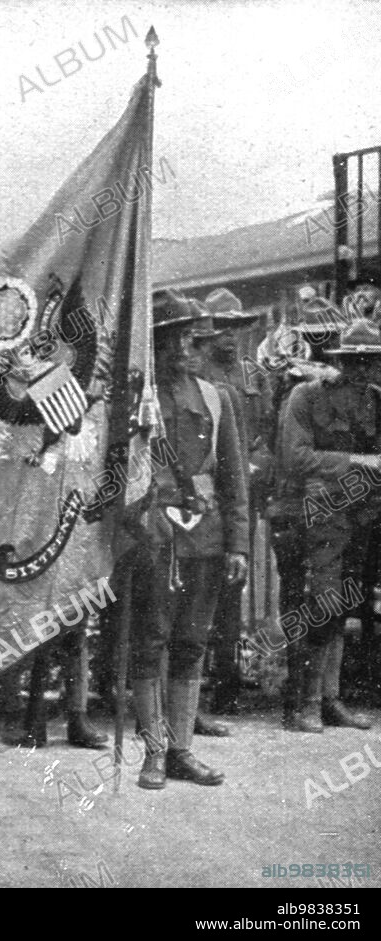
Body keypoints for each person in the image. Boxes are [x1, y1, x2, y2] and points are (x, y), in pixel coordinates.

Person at [130, 292, 249, 789]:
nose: (186, 346)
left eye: (190, 337)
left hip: (204, 535)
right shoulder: (139, 398)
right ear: (155, 343)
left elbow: (233, 477)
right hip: (153, 534)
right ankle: (153, 753)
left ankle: (181, 749)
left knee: (191, 642)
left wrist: (239, 543)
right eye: (174, 337)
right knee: (150, 641)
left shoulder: (216, 397)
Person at [273, 318, 380, 733]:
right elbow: (294, 457)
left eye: (371, 363)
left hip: (359, 517)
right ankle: (304, 704)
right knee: (320, 604)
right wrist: (357, 462)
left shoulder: (376, 401)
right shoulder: (306, 396)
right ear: (338, 361)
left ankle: (330, 699)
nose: (363, 371)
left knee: (343, 604)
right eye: (354, 362)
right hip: (312, 516)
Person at [198, 289, 268, 725]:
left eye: (237, 329)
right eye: (222, 328)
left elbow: (268, 434)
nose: (230, 338)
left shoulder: (254, 376)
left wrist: (256, 466)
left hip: (244, 493)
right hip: (205, 495)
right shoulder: (198, 374)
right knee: (199, 594)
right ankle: (196, 689)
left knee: (232, 593)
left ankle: (226, 686)